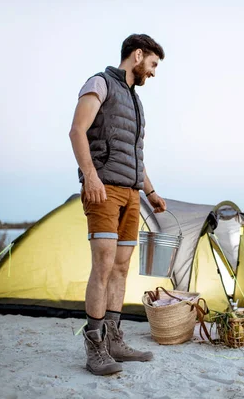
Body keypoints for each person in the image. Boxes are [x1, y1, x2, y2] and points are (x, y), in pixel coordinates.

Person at [68, 34, 167, 376]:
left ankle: (113, 339)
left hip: (132, 194)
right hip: (104, 189)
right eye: (152, 64)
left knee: (123, 268)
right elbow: (77, 131)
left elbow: (135, 155)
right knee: (104, 264)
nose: (153, 72)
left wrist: (150, 192)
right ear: (137, 55)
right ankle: (94, 345)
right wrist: (90, 177)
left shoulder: (136, 101)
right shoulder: (100, 83)